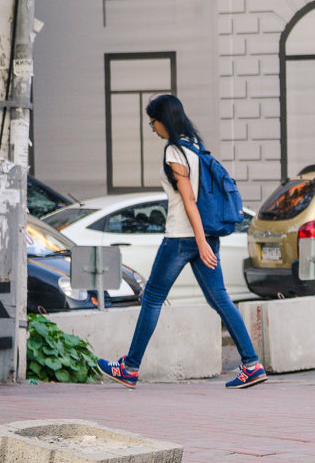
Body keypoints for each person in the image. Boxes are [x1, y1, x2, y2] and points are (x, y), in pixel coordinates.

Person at [96, 94, 266, 390]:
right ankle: (252, 364)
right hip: (205, 236)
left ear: (165, 120)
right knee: (220, 298)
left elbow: (188, 199)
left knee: (151, 298)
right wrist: (205, 241)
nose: (153, 129)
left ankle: (130, 368)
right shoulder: (195, 146)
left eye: (153, 122)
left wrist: (199, 241)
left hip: (181, 238)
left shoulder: (175, 151)